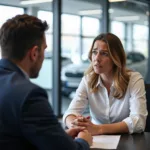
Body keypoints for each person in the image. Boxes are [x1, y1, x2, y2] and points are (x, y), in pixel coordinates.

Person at [0, 14, 92, 150]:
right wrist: (83, 141)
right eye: (44, 49)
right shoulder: (29, 95)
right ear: (34, 53)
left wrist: (58, 138)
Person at [63, 33, 148, 135]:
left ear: (116, 58)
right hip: (96, 139)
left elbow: (138, 121)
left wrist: (99, 129)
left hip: (127, 141)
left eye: (104, 53)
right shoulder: (87, 80)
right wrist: (75, 124)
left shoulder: (134, 79)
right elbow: (70, 112)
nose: (97, 58)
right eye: (94, 52)